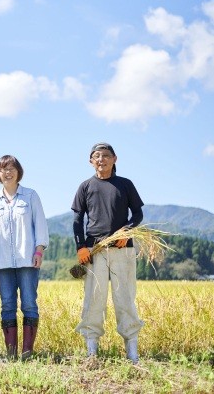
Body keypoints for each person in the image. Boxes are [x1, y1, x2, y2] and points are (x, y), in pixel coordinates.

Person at [72, 142, 144, 364]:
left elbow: (138, 214)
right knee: (94, 299)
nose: (101, 159)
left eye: (105, 156)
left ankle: (132, 349)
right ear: (91, 161)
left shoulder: (125, 184)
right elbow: (77, 220)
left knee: (125, 298)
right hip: (95, 250)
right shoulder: (85, 186)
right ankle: (91, 349)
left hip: (123, 249)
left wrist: (127, 231)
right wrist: (81, 246)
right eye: (96, 156)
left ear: (115, 159)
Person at [0, 155, 49, 360]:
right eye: (3, 169)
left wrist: (39, 251)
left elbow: (41, 227)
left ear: (18, 172)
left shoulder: (30, 196)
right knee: (7, 304)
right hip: (2, 262)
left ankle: (27, 353)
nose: (8, 172)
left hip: (28, 260)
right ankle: (11, 355)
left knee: (29, 303)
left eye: (11, 168)